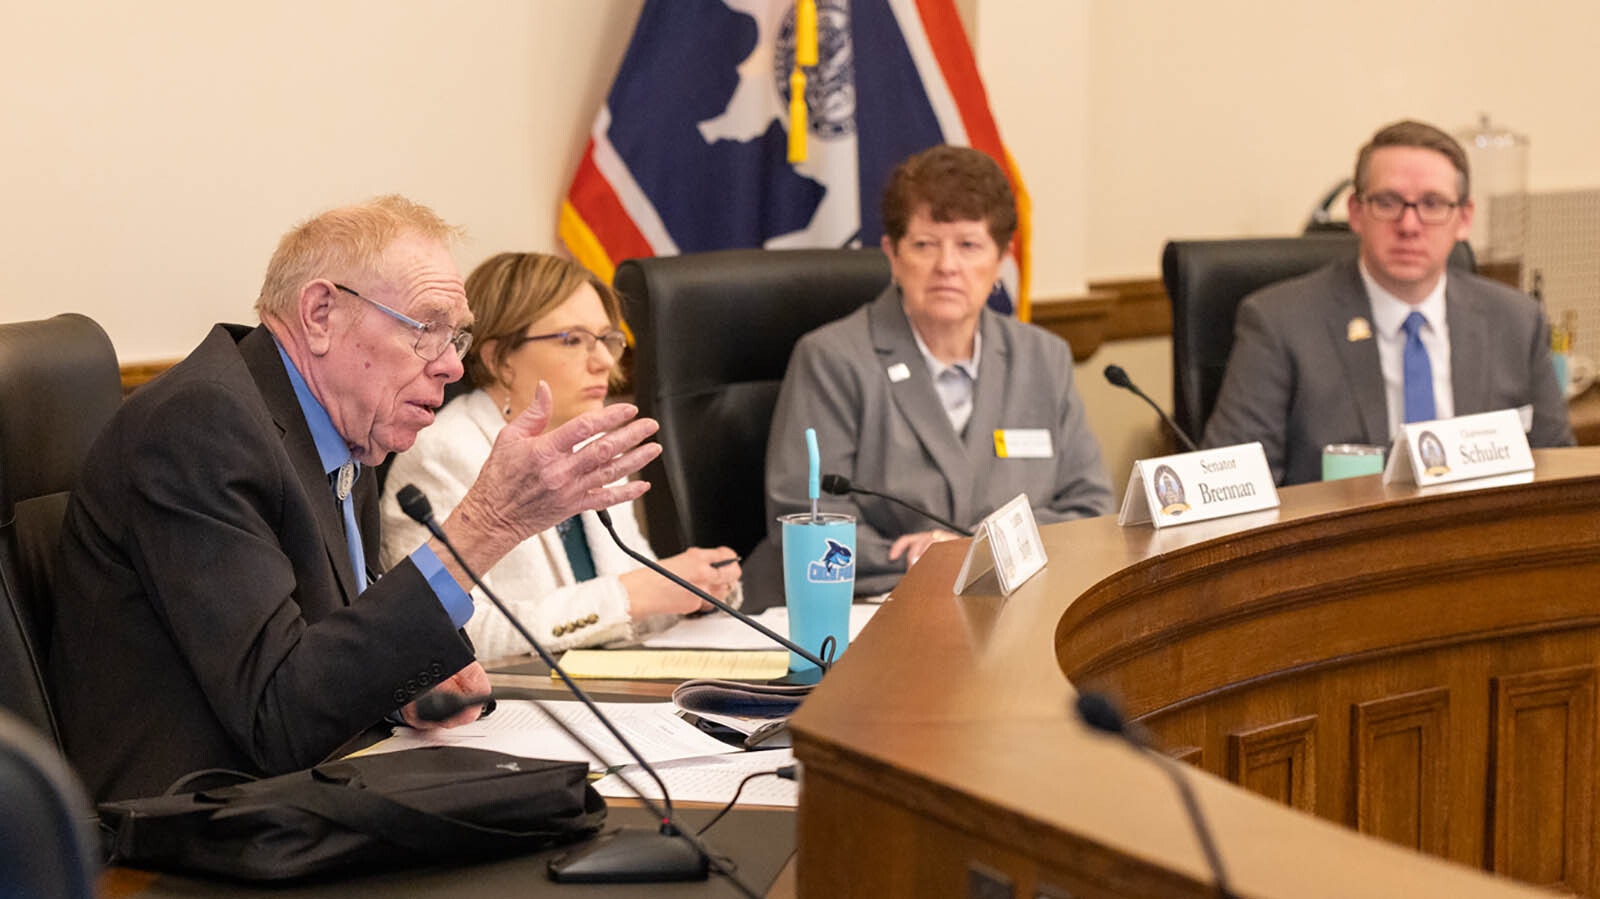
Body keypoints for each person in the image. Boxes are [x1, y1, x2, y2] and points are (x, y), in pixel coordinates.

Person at [48, 197, 660, 802]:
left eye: (459, 338)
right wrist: (487, 525)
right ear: (320, 314)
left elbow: (320, 653)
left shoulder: (348, 426)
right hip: (198, 824)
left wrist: (401, 684)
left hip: (305, 789)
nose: (450, 365)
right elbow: (279, 718)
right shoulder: (200, 427)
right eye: (428, 329)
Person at [764, 145, 1114, 597]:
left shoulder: (1043, 357)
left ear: (1001, 259)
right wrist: (920, 558)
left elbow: (1091, 509)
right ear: (892, 254)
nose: (947, 266)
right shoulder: (833, 358)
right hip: (878, 608)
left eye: (969, 245)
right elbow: (806, 514)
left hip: (1020, 604)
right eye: (925, 245)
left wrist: (976, 550)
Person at [380, 253, 741, 659]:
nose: (605, 361)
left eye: (607, 339)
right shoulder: (444, 453)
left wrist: (694, 592)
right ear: (500, 360)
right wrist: (628, 596)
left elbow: (639, 609)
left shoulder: (589, 444)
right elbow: (454, 633)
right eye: (573, 340)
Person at [1203, 119, 1573, 485]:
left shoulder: (1516, 320)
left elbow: (1558, 471)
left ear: (1463, 219)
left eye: (1432, 203)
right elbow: (1235, 487)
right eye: (1387, 201)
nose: (1409, 225)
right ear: (1355, 212)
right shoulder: (1279, 323)